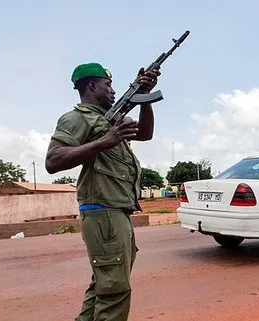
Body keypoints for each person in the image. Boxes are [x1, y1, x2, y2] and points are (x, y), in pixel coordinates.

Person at [45, 62, 160, 321]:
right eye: (108, 85)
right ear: (91, 86)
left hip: (116, 213)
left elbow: (145, 134)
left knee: (104, 285)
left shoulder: (109, 119)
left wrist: (145, 98)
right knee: (114, 291)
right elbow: (53, 161)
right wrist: (105, 141)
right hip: (103, 213)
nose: (112, 90)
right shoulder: (77, 118)